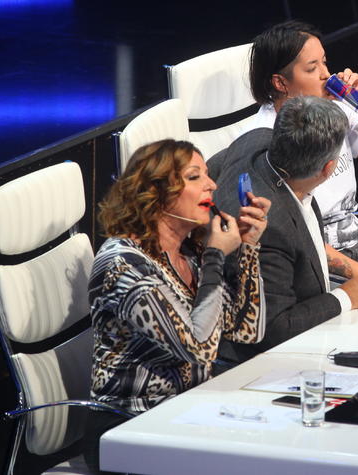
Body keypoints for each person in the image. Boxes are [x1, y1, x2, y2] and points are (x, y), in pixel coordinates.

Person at [86, 140, 269, 472]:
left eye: (207, 175)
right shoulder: (123, 264)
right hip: (129, 426)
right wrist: (215, 256)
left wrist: (249, 247)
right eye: (195, 176)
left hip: (189, 415)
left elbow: (246, 331)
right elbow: (199, 348)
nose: (212, 185)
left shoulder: (189, 253)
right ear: (156, 192)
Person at [211, 96, 358, 365]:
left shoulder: (254, 140)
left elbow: (213, 168)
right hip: (270, 359)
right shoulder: (271, 228)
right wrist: (346, 296)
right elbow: (275, 329)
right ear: (328, 169)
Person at [245, 20, 358, 269]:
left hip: (354, 248)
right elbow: (291, 234)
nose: (326, 74)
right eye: (312, 68)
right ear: (280, 83)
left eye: (324, 62)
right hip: (309, 263)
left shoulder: (335, 108)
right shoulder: (266, 140)